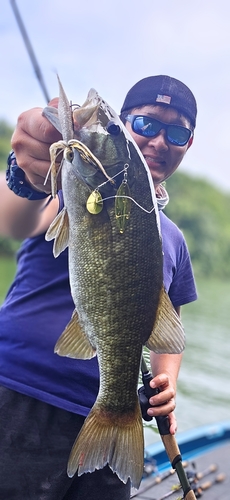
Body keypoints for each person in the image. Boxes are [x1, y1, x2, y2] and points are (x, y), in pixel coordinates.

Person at [0, 75, 197, 500]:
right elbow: (13, 220)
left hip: (115, 414)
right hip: (17, 393)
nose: (160, 140)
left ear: (188, 145)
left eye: (177, 132)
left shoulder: (174, 240)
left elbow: (170, 329)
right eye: (146, 124)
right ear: (125, 126)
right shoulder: (71, 188)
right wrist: (26, 175)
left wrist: (166, 380)